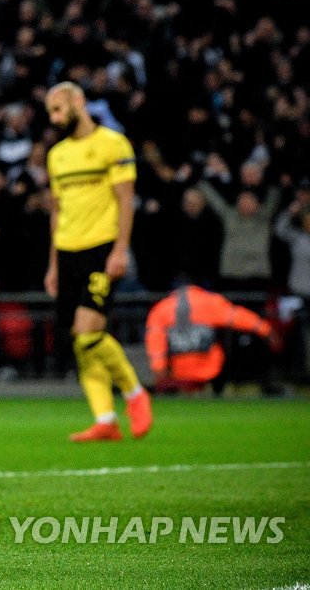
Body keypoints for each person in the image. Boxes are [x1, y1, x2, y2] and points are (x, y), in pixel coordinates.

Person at [43, 81, 153, 443]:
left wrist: (120, 249)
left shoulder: (113, 144)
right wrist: (53, 265)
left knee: (88, 332)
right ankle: (105, 420)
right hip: (67, 250)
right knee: (80, 339)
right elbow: (57, 211)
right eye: (50, 113)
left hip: (100, 248)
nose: (54, 118)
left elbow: (125, 200)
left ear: (78, 101)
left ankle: (134, 391)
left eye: (58, 109)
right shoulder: (57, 155)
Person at [145, 283, 277, 394]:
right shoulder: (210, 302)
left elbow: (155, 341)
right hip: (210, 371)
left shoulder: (160, 308)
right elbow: (239, 317)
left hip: (179, 375)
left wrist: (159, 370)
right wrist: (267, 331)